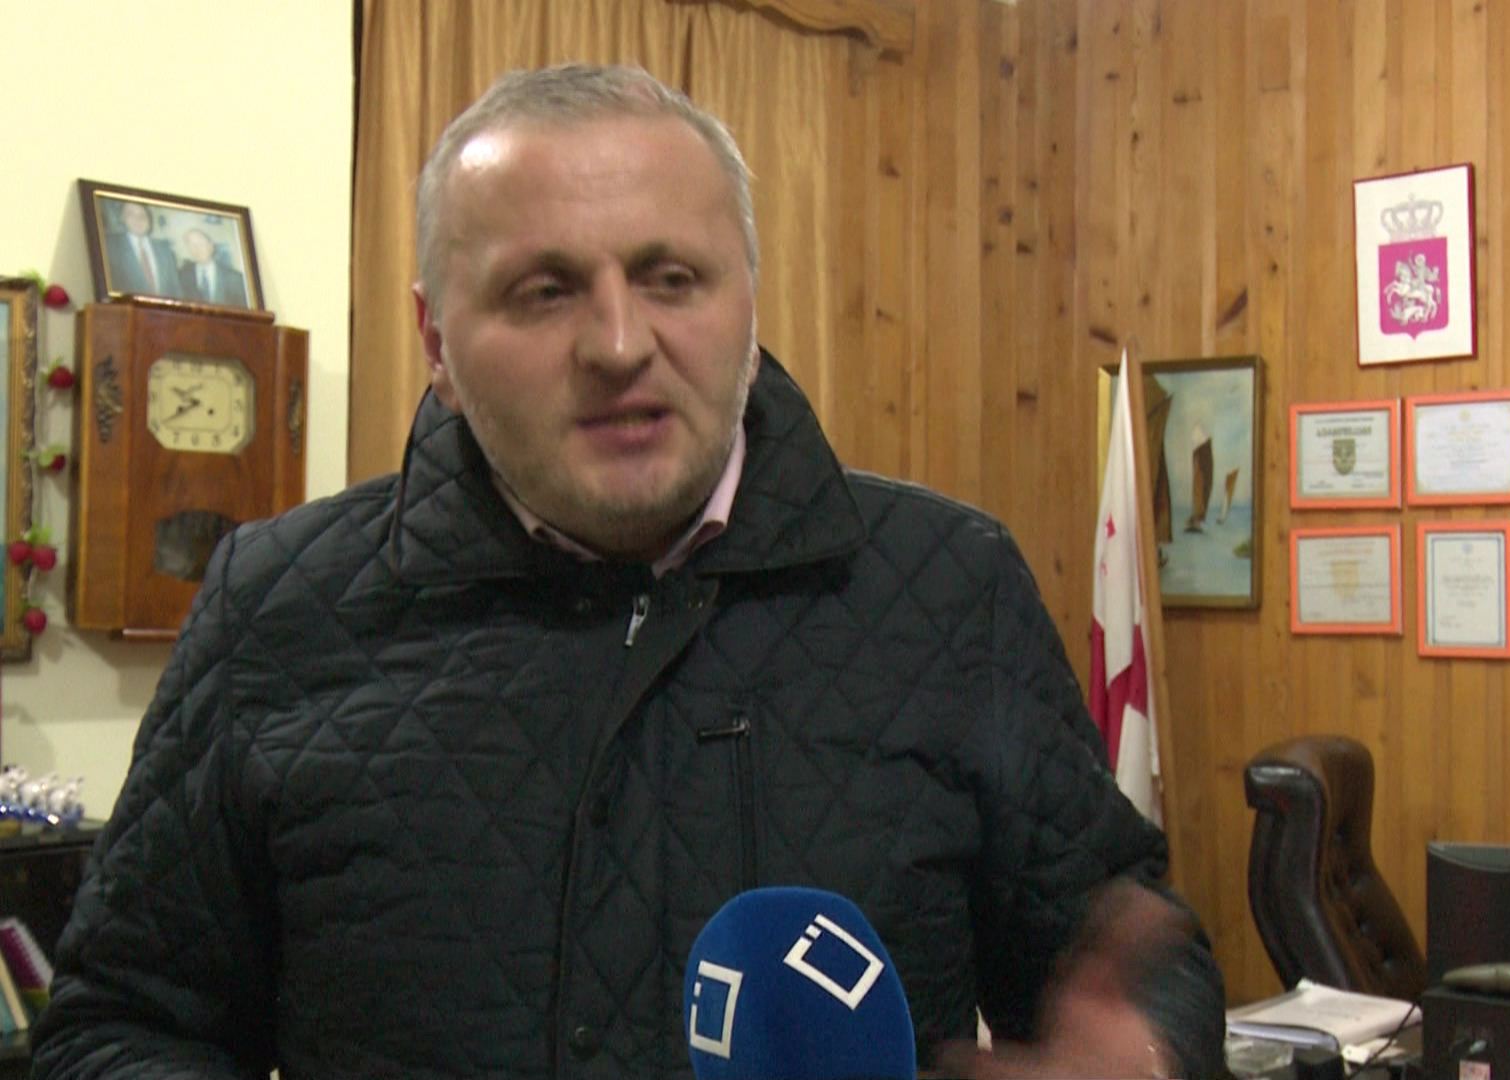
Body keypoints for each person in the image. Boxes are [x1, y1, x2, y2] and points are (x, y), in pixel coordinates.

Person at [32, 64, 1226, 1080]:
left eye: (671, 278)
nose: (617, 344)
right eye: (545, 290)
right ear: (437, 340)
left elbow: (1129, 950)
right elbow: (118, 1027)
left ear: (747, 301)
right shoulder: (277, 606)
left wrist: (1156, 1048)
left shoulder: (949, 587)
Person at [101, 199, 183, 298]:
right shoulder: (110, 246)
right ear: (122, 218)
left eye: (142, 214)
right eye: (131, 214)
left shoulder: (164, 249)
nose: (138, 218)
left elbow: (176, 290)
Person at [175, 227, 250, 307]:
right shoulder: (182, 276)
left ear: (211, 246)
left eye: (201, 243)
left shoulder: (235, 278)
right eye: (192, 245)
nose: (197, 249)